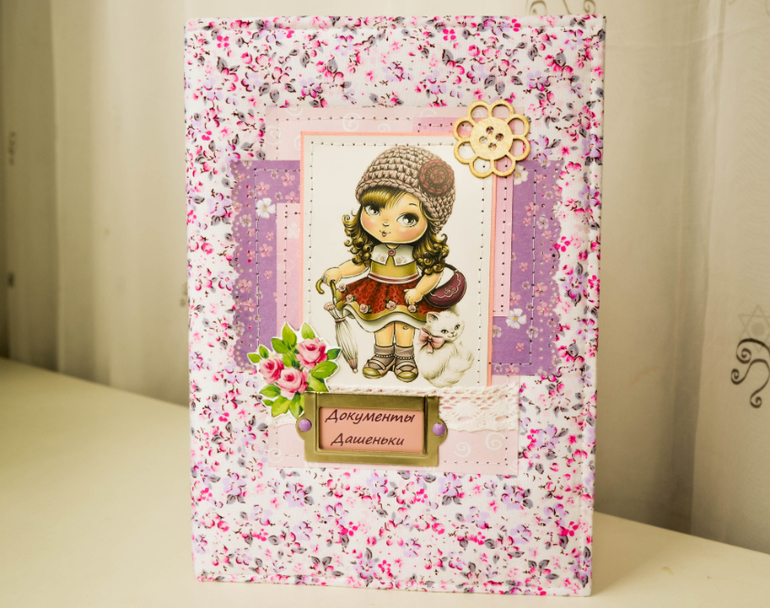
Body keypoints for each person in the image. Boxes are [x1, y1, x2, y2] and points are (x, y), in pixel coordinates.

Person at [322, 145, 457, 382]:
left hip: (407, 291)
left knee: (404, 324)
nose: (385, 224)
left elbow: (433, 272)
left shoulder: (415, 250)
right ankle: (383, 355)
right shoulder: (374, 247)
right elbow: (360, 263)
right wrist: (340, 271)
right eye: (373, 209)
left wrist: (419, 291)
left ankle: (405, 356)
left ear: (430, 222)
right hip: (376, 289)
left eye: (407, 218)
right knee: (381, 324)